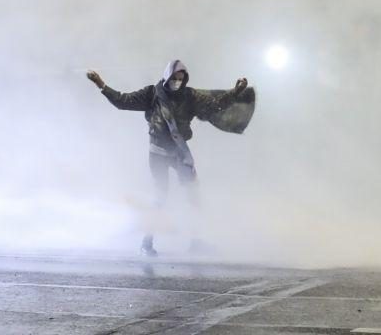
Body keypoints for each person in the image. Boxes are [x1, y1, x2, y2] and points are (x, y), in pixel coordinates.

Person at [86, 59, 255, 256]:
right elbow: (123, 101)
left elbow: (214, 105)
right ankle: (146, 244)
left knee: (193, 195)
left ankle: (196, 241)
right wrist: (101, 84)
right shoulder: (152, 94)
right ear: (167, 76)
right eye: (175, 78)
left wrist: (235, 92)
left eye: (181, 79)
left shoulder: (190, 96)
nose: (178, 82)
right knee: (160, 198)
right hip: (157, 154)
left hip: (179, 153)